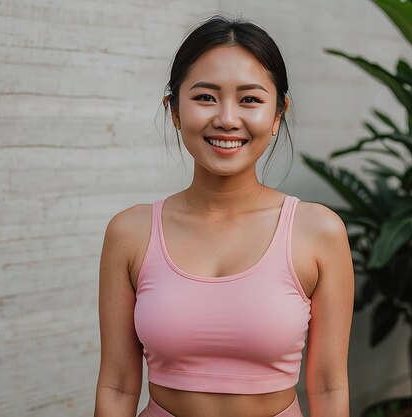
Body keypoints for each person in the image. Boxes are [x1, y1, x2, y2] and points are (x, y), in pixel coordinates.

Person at [94, 15, 354, 417]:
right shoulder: (130, 232)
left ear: (278, 113)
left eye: (250, 99)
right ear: (175, 110)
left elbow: (328, 384)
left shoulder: (318, 232)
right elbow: (117, 384)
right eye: (205, 97)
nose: (227, 118)